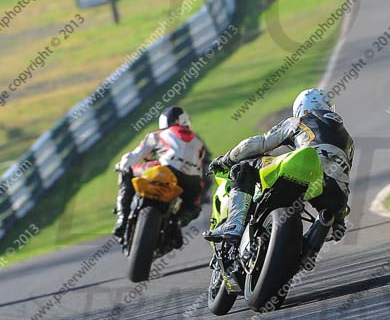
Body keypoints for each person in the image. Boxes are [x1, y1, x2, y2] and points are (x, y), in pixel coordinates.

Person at [204, 88, 353, 243]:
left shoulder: (300, 121)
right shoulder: (348, 139)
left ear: (302, 108)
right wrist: (340, 216)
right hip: (337, 191)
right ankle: (310, 248)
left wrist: (226, 159)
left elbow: (259, 143)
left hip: (307, 169)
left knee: (242, 169)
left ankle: (234, 224)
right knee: (331, 223)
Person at [113, 105, 205, 238]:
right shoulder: (198, 141)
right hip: (193, 181)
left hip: (166, 168)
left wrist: (122, 165)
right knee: (193, 205)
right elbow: (201, 166)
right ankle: (176, 225)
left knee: (127, 170)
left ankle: (122, 218)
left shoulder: (158, 135)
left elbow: (133, 156)